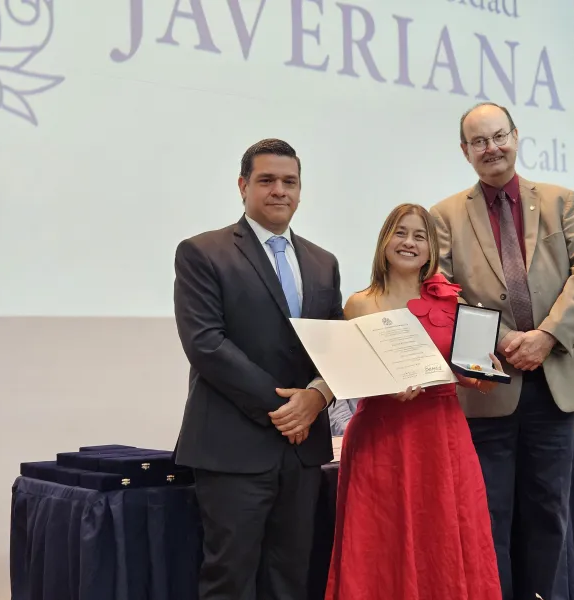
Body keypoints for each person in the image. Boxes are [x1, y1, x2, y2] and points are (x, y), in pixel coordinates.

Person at [429, 102, 574, 600]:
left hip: (555, 384)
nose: (491, 148)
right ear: (465, 151)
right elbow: (442, 290)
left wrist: (545, 336)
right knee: (490, 514)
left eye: (498, 136)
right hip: (489, 387)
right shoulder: (444, 215)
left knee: (549, 511)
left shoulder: (559, 200)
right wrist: (502, 338)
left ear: (516, 136)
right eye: (478, 142)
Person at [172, 138, 343, 600]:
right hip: (232, 449)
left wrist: (318, 397)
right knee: (230, 578)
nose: (279, 190)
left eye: (289, 182)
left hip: (303, 452)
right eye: (266, 180)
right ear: (243, 185)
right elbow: (206, 344)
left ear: (301, 191)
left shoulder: (323, 263)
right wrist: (286, 408)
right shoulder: (202, 253)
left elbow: (335, 347)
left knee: (291, 580)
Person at [324, 203, 503, 600]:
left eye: (419, 236)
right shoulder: (358, 303)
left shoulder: (453, 303)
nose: (409, 242)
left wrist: (488, 374)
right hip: (381, 437)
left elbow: (474, 380)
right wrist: (383, 385)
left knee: (444, 537)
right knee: (380, 538)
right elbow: (348, 374)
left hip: (442, 436)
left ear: (431, 248)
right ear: (385, 240)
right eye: (400, 233)